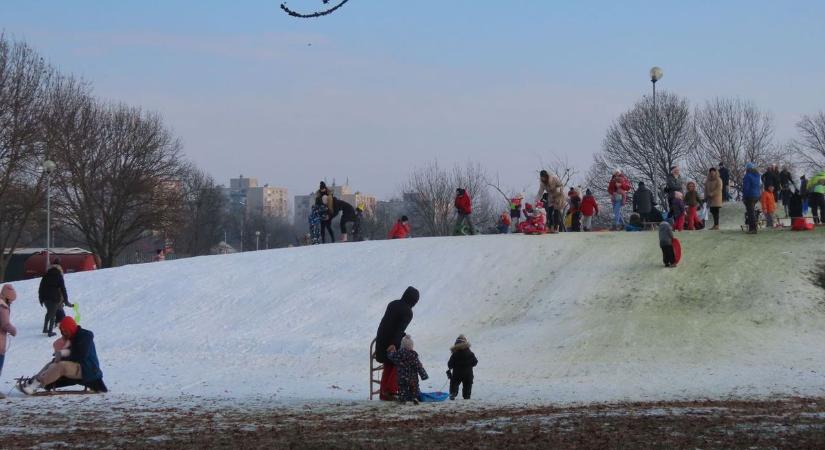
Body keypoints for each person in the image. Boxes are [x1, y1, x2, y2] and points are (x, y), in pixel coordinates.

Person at [19, 317, 105, 394]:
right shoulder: (72, 337)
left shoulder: (85, 336)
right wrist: (59, 357)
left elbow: (81, 355)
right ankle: (33, 382)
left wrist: (63, 356)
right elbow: (71, 354)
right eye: (62, 331)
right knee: (51, 364)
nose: (64, 333)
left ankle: (36, 385)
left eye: (65, 330)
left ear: (70, 328)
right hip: (80, 366)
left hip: (88, 369)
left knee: (61, 366)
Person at [375, 287, 420, 401]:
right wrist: (394, 344)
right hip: (391, 343)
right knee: (401, 362)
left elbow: (386, 324)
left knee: (388, 365)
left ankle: (384, 394)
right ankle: (390, 390)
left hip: (380, 340)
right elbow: (399, 329)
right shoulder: (407, 312)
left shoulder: (393, 304)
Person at [386, 335, 428, 404]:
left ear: (402, 345)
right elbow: (419, 366)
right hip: (413, 378)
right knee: (414, 388)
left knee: (402, 388)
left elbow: (391, 356)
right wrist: (424, 375)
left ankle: (402, 399)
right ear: (411, 346)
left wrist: (390, 351)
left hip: (402, 377)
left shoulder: (398, 354)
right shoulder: (414, 356)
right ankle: (415, 398)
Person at [38, 260, 73, 337]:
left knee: (49, 313)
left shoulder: (46, 275)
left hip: (45, 298)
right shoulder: (59, 276)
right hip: (54, 298)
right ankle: (50, 332)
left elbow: (41, 288)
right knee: (53, 315)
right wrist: (66, 301)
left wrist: (40, 299)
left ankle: (45, 329)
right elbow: (63, 289)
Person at [447, 334, 477, 401]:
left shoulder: (455, 354)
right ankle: (467, 396)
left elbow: (449, 364)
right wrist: (469, 365)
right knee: (467, 385)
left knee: (454, 384)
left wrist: (453, 366)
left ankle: (453, 394)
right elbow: (475, 362)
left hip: (457, 374)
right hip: (468, 373)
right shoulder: (470, 353)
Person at [0, 284, 18, 398]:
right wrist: (13, 330)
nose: (11, 302)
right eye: (11, 300)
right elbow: (5, 324)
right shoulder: (3, 308)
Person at [743, 162, 762, 234]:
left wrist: (744, 197)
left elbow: (746, 188)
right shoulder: (757, 176)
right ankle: (753, 228)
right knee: (752, 212)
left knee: (750, 213)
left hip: (750, 196)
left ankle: (753, 229)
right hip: (756, 195)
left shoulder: (747, 176)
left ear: (747, 169)